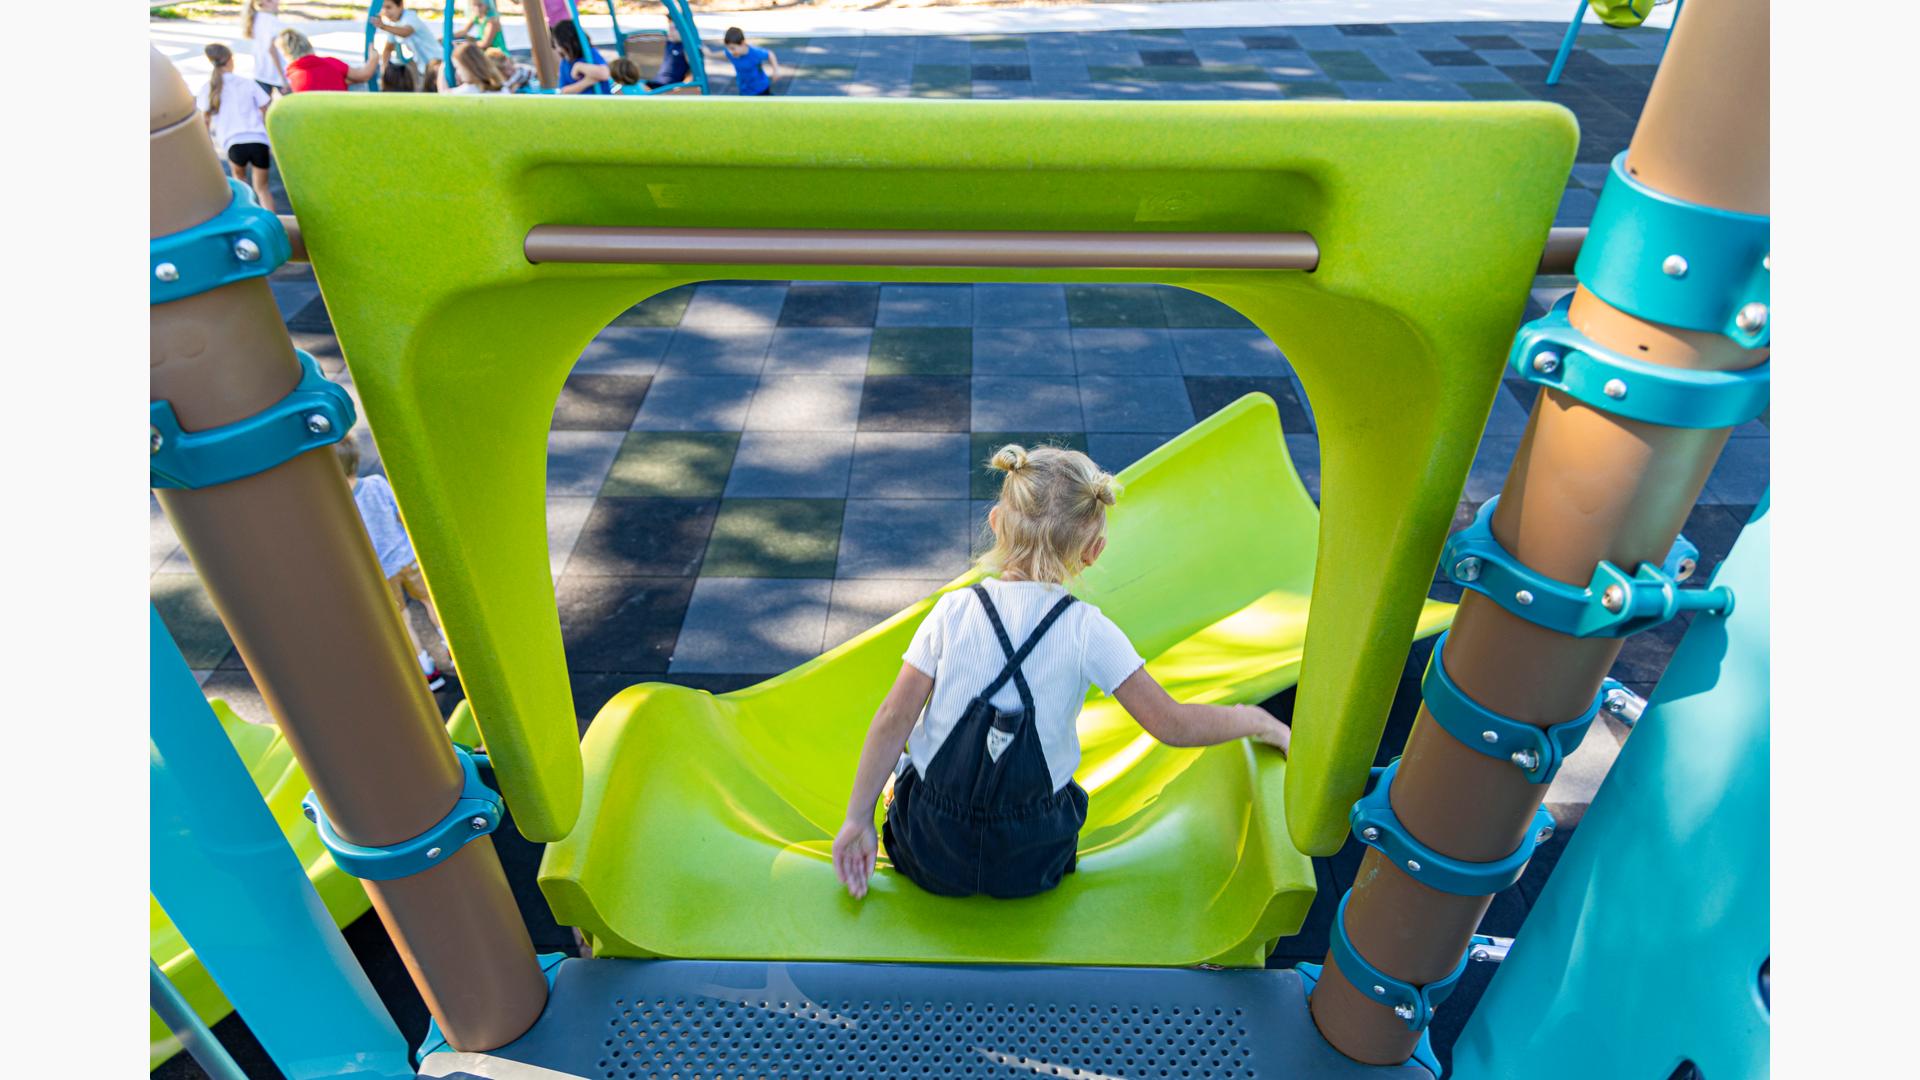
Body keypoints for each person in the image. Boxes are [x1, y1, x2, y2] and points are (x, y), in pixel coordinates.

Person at [831, 446, 1291, 901]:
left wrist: (858, 820)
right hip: (1031, 860)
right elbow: (1172, 725)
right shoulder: (1089, 629)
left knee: (911, 736)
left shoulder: (954, 610)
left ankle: (896, 795)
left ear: (995, 524)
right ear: (1094, 552)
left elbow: (892, 717)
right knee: (1058, 782)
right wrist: (1253, 718)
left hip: (932, 850)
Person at [334, 437, 451, 691]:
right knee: (431, 601)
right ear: (355, 461)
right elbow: (400, 516)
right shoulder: (376, 485)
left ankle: (427, 670)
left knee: (402, 619)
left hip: (380, 572)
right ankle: (453, 647)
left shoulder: (338, 506)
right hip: (407, 557)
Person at [196, 44, 276, 213]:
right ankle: (274, 224)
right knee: (263, 189)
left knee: (242, 189)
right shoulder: (248, 83)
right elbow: (266, 109)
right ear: (230, 60)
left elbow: (204, 121)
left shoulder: (208, 88)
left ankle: (249, 220)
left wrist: (209, 146)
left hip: (234, 143)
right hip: (258, 140)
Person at [370, 0, 442, 92]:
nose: (385, 12)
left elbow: (406, 32)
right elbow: (388, 49)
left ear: (401, 6)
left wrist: (383, 26)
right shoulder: (393, 25)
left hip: (437, 61)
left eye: (388, 7)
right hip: (424, 66)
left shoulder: (410, 17)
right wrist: (384, 70)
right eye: (382, 8)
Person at [277, 28, 378, 93]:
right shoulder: (330, 63)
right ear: (309, 45)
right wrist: (374, 57)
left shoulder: (290, 80)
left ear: (286, 54)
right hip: (342, 116)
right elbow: (364, 75)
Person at [242, 0, 288, 98]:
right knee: (293, 106)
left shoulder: (255, 18)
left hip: (260, 73)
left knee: (263, 110)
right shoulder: (273, 21)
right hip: (276, 74)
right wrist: (283, 78)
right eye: (271, 1)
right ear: (262, 3)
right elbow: (271, 49)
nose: (277, 2)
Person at [552, 19, 609, 95]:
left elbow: (604, 73)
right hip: (582, 104)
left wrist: (579, 66)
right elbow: (564, 91)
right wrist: (587, 82)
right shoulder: (565, 63)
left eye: (557, 44)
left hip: (601, 103)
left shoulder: (590, 54)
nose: (557, 48)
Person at [718, 26, 777, 97]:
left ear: (742, 43)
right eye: (728, 48)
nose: (730, 51)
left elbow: (770, 54)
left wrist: (776, 71)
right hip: (744, 90)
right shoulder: (732, 53)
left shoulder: (755, 53)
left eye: (732, 48)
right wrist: (709, 54)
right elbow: (723, 54)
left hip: (761, 89)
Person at [645, 17, 691, 91]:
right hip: (651, 84)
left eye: (675, 29)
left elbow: (692, 72)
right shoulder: (667, 43)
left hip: (669, 86)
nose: (671, 31)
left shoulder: (686, 47)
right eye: (670, 28)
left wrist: (682, 87)